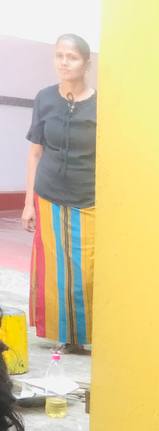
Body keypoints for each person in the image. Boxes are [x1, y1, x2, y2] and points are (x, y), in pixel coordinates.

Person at [22, 34, 97, 354]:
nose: (64, 62)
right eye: (59, 56)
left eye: (72, 57)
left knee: (87, 267)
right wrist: (27, 203)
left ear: (86, 63)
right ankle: (63, 334)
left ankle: (91, 334)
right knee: (54, 266)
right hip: (48, 194)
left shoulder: (101, 104)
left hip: (89, 196)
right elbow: (35, 152)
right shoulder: (45, 98)